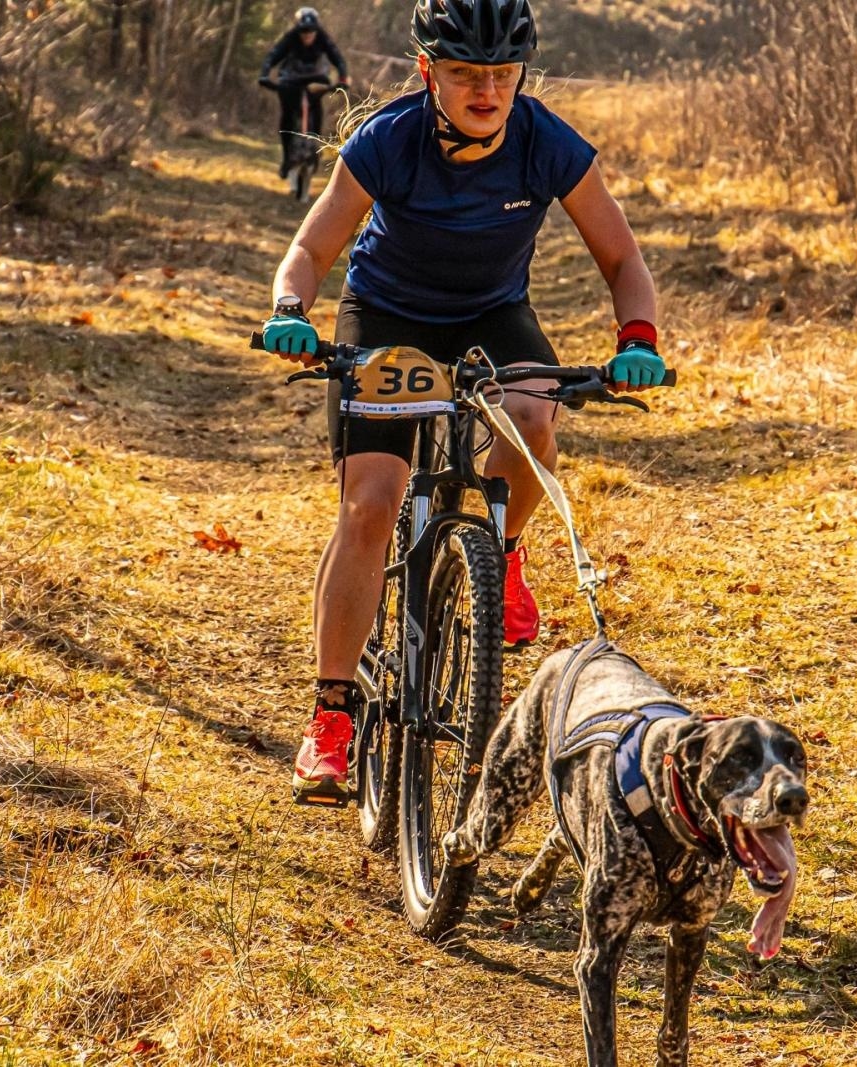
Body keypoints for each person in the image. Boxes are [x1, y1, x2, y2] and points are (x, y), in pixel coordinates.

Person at [261, 0, 669, 805]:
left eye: (501, 74)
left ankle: (503, 556)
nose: (486, 91)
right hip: (386, 313)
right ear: (427, 72)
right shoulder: (388, 138)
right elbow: (312, 247)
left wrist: (639, 339)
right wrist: (289, 310)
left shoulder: (546, 142)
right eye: (464, 74)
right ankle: (332, 716)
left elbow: (621, 254)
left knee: (533, 415)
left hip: (490, 314)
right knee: (371, 504)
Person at [259, 6, 350, 179]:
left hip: (316, 80)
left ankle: (315, 149)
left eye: (311, 32)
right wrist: (264, 74)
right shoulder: (290, 38)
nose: (307, 35)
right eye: (303, 32)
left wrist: (343, 79)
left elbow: (338, 59)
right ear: (298, 30)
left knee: (316, 108)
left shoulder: (323, 38)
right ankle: (287, 158)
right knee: (286, 113)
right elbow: (273, 56)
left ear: (317, 30)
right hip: (291, 80)